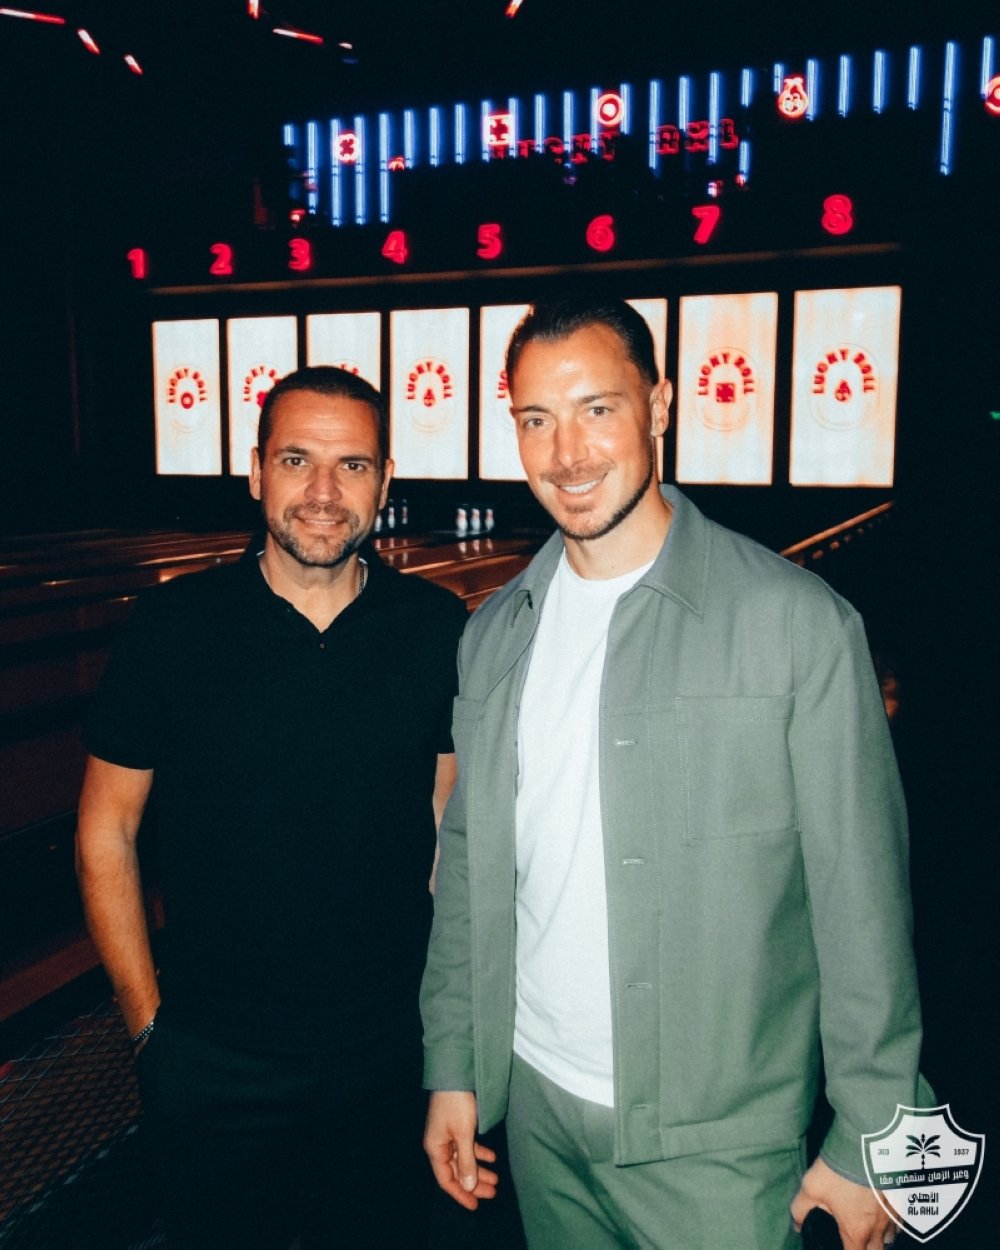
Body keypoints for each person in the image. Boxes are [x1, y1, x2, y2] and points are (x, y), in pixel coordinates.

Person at [421, 296, 930, 1250]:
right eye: (536, 419)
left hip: (720, 1144)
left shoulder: (797, 624)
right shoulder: (494, 636)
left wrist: (875, 1138)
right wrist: (454, 1064)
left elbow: (861, 903)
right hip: (536, 1112)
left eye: (597, 409)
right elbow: (472, 873)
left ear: (658, 406)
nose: (566, 453)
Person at [77, 365, 468, 1248]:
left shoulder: (436, 628)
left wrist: (449, 1040)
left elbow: (449, 836)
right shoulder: (170, 628)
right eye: (297, 460)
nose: (324, 492)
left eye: (352, 465)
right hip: (213, 1060)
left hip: (388, 1056)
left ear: (385, 480)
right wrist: (150, 1033)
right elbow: (107, 830)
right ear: (256, 471)